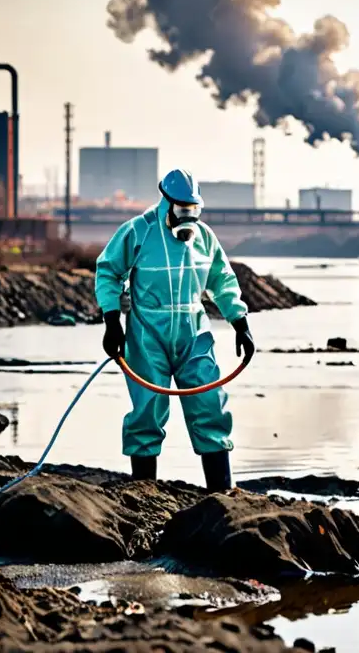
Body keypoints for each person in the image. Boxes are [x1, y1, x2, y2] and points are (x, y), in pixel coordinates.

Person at [94, 168, 256, 491]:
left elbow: (222, 281)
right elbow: (108, 271)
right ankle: (144, 492)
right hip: (146, 338)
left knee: (210, 405)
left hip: (193, 338)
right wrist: (111, 321)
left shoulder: (204, 239)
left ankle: (221, 493)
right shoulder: (138, 233)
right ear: (167, 203)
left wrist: (240, 322)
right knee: (147, 412)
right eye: (183, 210)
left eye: (194, 211)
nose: (188, 217)